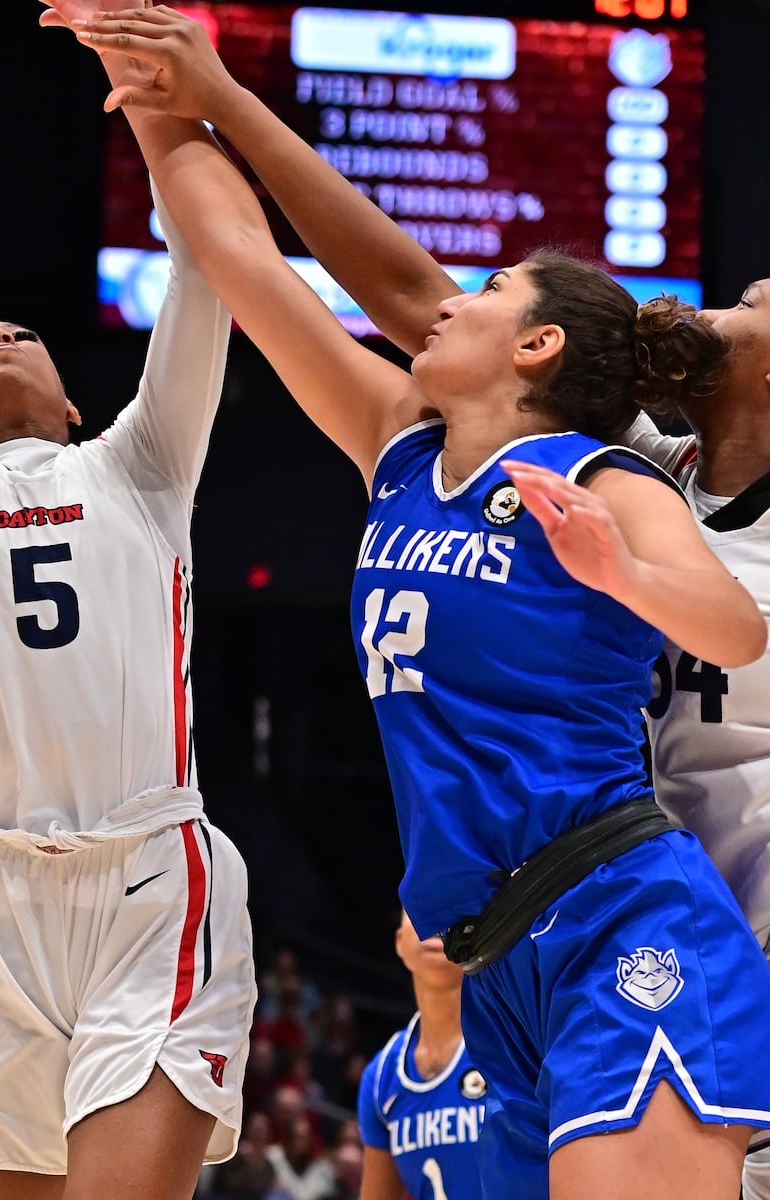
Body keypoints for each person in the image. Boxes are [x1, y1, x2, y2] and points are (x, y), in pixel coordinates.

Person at [51, 9, 770, 1200]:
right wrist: (183, 86)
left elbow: (732, 628)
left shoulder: (615, 488)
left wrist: (623, 574)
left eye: (754, 302)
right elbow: (360, 282)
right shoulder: (588, 454)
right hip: (529, 947)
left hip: (661, 926)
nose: (723, 303)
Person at [0, 2, 256, 1195]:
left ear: (78, 401)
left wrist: (161, 95)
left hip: (149, 878)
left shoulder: (141, 465)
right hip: (0, 901)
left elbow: (208, 271)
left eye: (20, 331)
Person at [358, 912, 483, 1200]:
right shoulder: (380, 1076)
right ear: (400, 942)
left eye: (450, 911)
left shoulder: (510, 1042)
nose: (436, 922)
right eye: (418, 910)